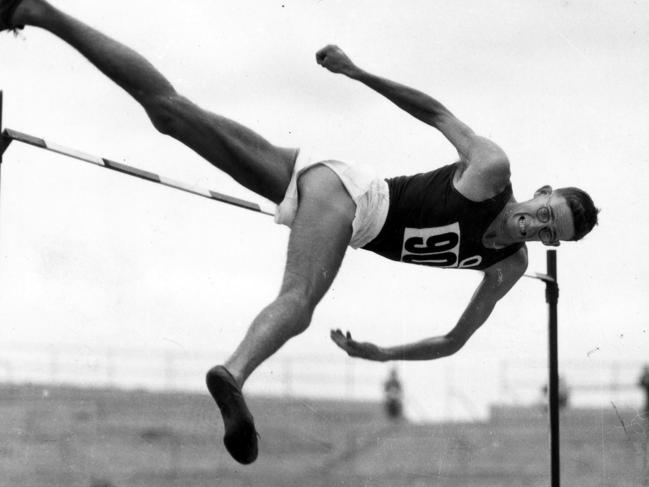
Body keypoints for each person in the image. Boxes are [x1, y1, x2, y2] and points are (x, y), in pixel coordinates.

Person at [1, 0, 599, 465]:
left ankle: (36, 12)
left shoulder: (509, 267)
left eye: (553, 233)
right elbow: (436, 113)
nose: (539, 223)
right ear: (542, 192)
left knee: (171, 115)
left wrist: (378, 353)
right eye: (548, 211)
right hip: (354, 196)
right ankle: (232, 374)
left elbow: (453, 341)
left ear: (551, 244)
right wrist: (357, 71)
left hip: (321, 182)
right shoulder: (492, 171)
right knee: (300, 302)